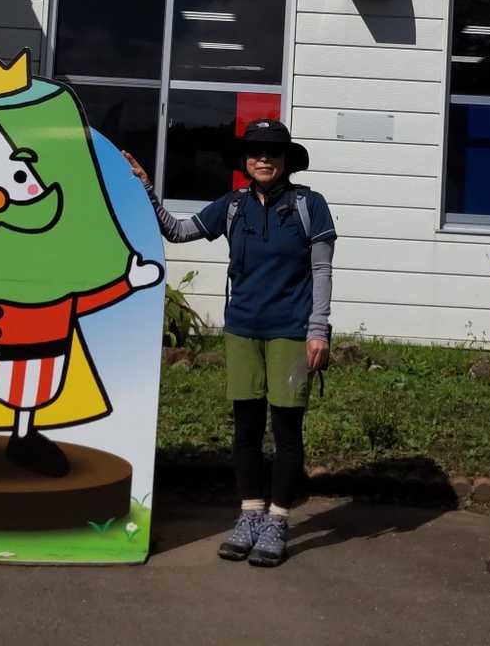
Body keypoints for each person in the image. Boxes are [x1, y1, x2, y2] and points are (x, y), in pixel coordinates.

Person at [125, 119, 336, 569]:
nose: (264, 159)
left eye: (273, 152)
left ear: (286, 160)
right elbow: (178, 231)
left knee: (286, 429)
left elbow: (321, 270)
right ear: (245, 161)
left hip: (291, 331)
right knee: (245, 427)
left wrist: (318, 330)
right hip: (241, 329)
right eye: (256, 152)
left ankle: (277, 521)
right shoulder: (233, 205)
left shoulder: (309, 205)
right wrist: (145, 187)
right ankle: (250, 514)